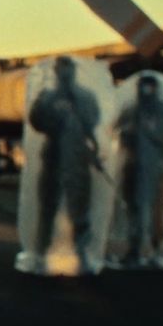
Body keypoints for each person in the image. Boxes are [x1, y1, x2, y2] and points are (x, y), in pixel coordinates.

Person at [26, 55, 104, 271]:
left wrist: (93, 150)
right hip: (53, 157)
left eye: (68, 68)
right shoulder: (48, 97)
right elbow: (36, 121)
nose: (65, 72)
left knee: (79, 208)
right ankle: (41, 255)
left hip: (78, 159)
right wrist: (45, 107)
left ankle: (82, 254)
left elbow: (92, 123)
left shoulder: (85, 97)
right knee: (48, 208)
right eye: (61, 68)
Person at [113, 73, 163, 266]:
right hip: (134, 166)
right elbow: (116, 131)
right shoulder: (131, 111)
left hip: (156, 168)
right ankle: (135, 249)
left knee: (156, 210)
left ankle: (155, 250)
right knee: (134, 209)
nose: (145, 92)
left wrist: (160, 155)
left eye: (149, 87)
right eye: (142, 87)